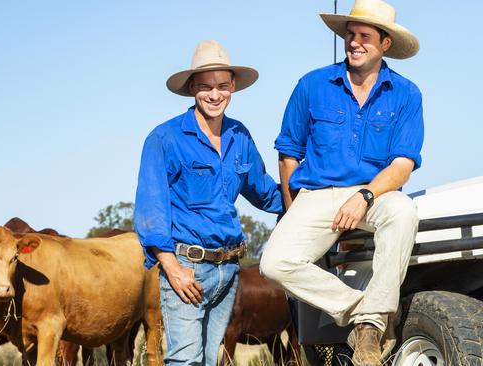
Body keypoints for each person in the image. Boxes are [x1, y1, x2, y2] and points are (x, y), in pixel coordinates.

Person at [259, 0, 424, 365]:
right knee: (273, 263)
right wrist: (292, 209)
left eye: (365, 36)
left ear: (385, 44)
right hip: (317, 194)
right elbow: (288, 152)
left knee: (403, 210)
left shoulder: (406, 94)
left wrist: (365, 196)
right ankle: (366, 316)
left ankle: (372, 325)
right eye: (350, 35)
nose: (354, 42)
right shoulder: (312, 84)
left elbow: (402, 164)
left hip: (374, 193)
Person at [134, 40, 283, 366]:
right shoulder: (165, 139)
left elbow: (265, 192)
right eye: (205, 87)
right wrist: (172, 269)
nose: (214, 95)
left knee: (206, 362)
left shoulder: (239, 136)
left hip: (229, 272)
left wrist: (311, 200)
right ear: (192, 89)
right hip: (189, 269)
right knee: (185, 361)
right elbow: (150, 212)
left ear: (232, 87)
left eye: (221, 86)